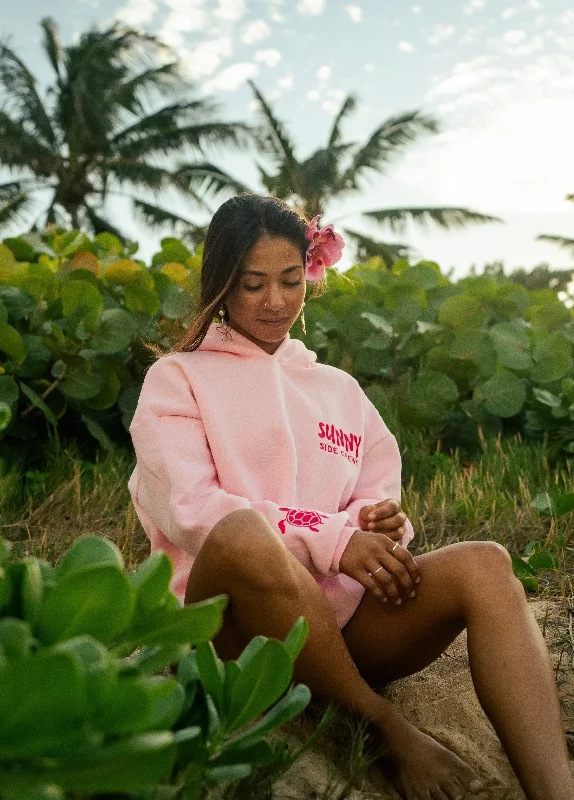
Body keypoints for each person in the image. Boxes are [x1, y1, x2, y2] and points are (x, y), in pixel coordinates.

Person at [128, 194, 573, 800]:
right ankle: (389, 731)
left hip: (339, 633)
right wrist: (336, 539)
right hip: (228, 638)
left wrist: (378, 526)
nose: (276, 301)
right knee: (241, 535)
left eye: (290, 281)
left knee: (487, 563)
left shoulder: (337, 390)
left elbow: (372, 492)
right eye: (254, 284)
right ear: (222, 284)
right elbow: (195, 512)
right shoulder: (177, 380)